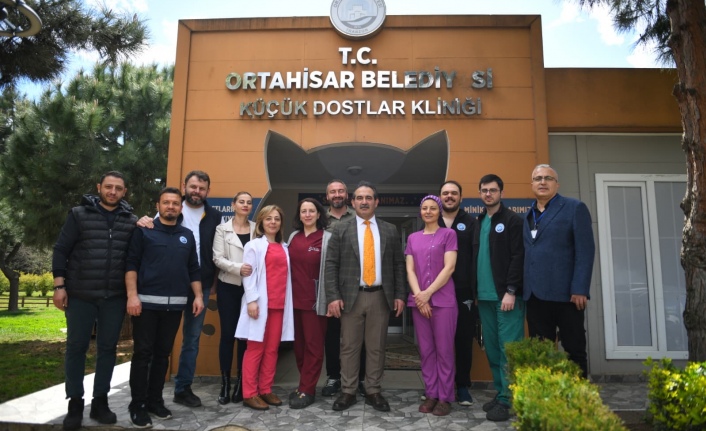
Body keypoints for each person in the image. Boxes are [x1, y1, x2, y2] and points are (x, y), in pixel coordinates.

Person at [52, 171, 138, 431]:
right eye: (108, 187)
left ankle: (100, 401)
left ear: (124, 192)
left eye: (118, 188)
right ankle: (75, 403)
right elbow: (61, 250)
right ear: (99, 187)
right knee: (76, 348)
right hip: (80, 295)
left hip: (113, 297)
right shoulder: (79, 214)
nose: (113, 192)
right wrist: (59, 286)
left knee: (108, 349)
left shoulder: (130, 221)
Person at [138, 170, 222, 408]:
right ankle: (147, 391)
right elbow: (150, 234)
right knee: (158, 340)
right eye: (193, 187)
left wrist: (213, 281)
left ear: (208, 191)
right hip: (169, 284)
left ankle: (183, 388)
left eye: (202, 188)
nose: (197, 191)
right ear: (184, 186)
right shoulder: (171, 208)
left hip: (200, 285)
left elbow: (217, 251)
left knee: (192, 340)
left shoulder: (214, 216)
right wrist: (141, 220)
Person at [125, 187, 204, 428]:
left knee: (162, 355)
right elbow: (131, 265)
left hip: (175, 307)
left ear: (181, 207)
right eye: (166, 202)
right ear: (157, 206)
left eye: (175, 203)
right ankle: (137, 405)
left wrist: (198, 296)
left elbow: (193, 269)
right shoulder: (144, 231)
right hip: (146, 305)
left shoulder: (186, 235)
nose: (171, 206)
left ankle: (155, 401)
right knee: (143, 355)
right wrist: (132, 296)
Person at [325, 181, 406, 412]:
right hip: (351, 298)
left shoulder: (390, 230)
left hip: (380, 297)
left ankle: (373, 390)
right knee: (349, 347)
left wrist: (400, 295)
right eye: (359, 198)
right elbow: (331, 264)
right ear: (352, 202)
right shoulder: (340, 229)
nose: (364, 202)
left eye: (368, 198)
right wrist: (333, 296)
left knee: (376, 347)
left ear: (376, 202)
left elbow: (398, 264)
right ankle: (348, 391)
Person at [523, 164, 595, 378]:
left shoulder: (574, 208)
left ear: (557, 184)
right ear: (532, 184)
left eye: (548, 178)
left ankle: (578, 394)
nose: (542, 182)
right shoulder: (528, 214)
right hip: (535, 296)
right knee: (541, 354)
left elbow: (585, 251)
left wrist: (580, 288)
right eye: (538, 179)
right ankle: (547, 395)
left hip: (567, 296)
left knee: (574, 349)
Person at [471, 174, 525, 422]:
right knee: (492, 349)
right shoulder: (479, 221)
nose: (488, 194)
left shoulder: (513, 220)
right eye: (484, 190)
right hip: (484, 298)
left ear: (501, 193)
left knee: (508, 349)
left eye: (493, 190)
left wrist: (511, 290)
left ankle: (510, 399)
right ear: (480, 194)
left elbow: (518, 256)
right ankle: (501, 391)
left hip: (506, 297)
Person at [235, 205, 294, 410]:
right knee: (255, 349)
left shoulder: (284, 247)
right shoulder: (254, 245)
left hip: (279, 305)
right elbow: (248, 274)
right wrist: (251, 300)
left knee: (272, 349)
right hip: (259, 305)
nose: (273, 222)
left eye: (276, 219)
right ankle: (249, 393)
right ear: (261, 222)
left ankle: (265, 389)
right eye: (268, 218)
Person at [405, 195, 458, 417]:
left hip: (443, 301)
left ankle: (445, 397)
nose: (428, 211)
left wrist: (427, 294)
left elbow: (449, 268)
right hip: (419, 302)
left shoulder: (449, 234)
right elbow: (410, 270)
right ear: (420, 212)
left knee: (444, 351)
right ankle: (431, 394)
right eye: (424, 208)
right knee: (426, 351)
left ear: (440, 211)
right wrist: (420, 296)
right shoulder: (413, 238)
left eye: (433, 208)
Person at [321, 179, 366, 398]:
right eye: (333, 192)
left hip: (355, 288)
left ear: (347, 195)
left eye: (341, 191)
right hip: (329, 287)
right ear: (327, 196)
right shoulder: (320, 220)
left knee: (360, 336)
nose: (337, 194)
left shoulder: (358, 217)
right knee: (332, 335)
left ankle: (361, 378)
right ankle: (333, 377)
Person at [287, 198, 331, 409]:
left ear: (319, 214)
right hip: (292, 302)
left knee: (313, 347)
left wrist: (330, 299)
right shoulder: (293, 237)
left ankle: (308, 389)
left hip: (315, 303)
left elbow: (332, 270)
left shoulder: (326, 238)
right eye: (303, 211)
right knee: (298, 347)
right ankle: (303, 384)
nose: (307, 214)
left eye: (311, 211)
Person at [212, 191, 255, 404]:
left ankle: (241, 383)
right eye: (241, 202)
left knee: (245, 337)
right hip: (228, 287)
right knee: (228, 335)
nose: (245, 205)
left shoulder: (257, 228)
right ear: (233, 205)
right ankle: (225, 383)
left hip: (250, 290)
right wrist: (239, 268)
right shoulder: (222, 229)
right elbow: (217, 258)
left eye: (249, 202)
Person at [438, 180, 477, 405]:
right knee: (438, 340)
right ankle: (437, 385)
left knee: (463, 339)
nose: (449, 196)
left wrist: (475, 289)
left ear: (461, 198)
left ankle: (462, 385)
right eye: (445, 193)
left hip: (463, 291)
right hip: (437, 290)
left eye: (454, 193)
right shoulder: (432, 221)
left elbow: (476, 258)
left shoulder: (471, 223)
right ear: (440, 197)